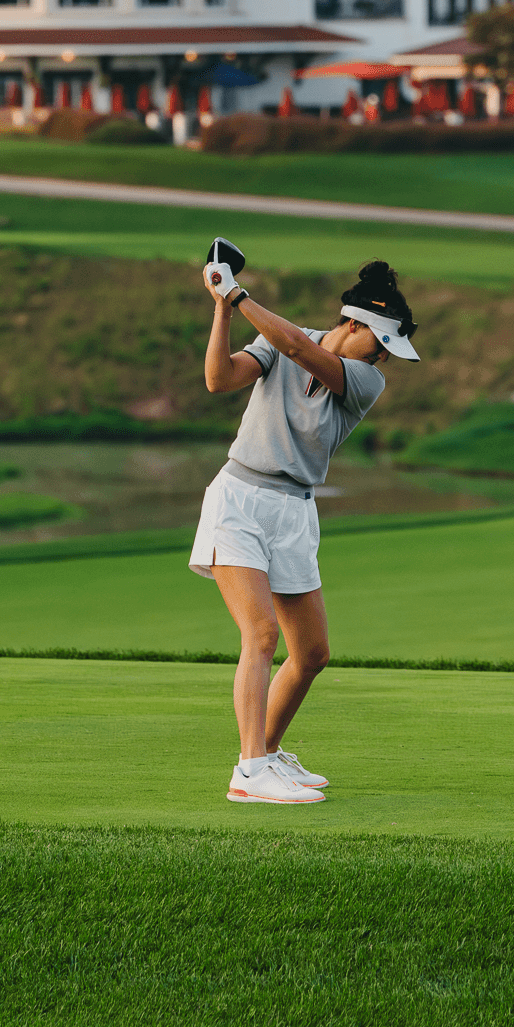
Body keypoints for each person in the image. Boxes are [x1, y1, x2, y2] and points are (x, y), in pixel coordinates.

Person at [191, 256, 420, 804]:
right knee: (262, 635)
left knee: (313, 651)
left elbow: (300, 350)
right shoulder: (278, 341)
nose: (386, 356)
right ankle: (250, 772)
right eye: (382, 342)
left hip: (294, 510)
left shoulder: (366, 378)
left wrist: (239, 294)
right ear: (356, 325)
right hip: (239, 500)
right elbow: (218, 379)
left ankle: (265, 753)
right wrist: (223, 307)